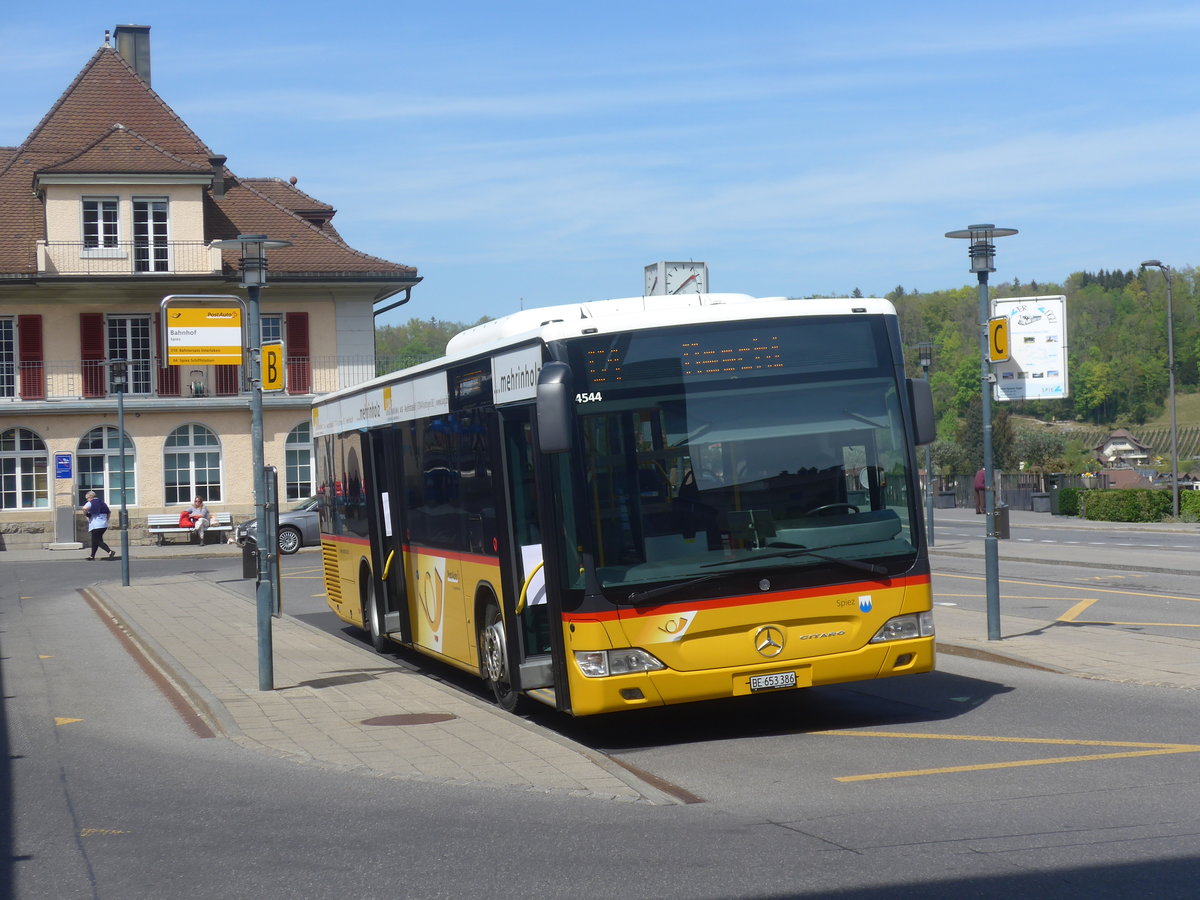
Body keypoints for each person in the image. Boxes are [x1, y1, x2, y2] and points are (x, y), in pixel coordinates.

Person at [82, 490, 115, 560]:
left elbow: (84, 508)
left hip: (95, 525)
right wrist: (106, 520)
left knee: (97, 541)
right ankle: (92, 556)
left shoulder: (90, 503)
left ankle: (110, 551)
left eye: (87, 498)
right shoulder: (102, 503)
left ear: (90, 497)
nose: (87, 500)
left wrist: (86, 514)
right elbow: (109, 512)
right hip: (103, 525)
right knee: (95, 540)